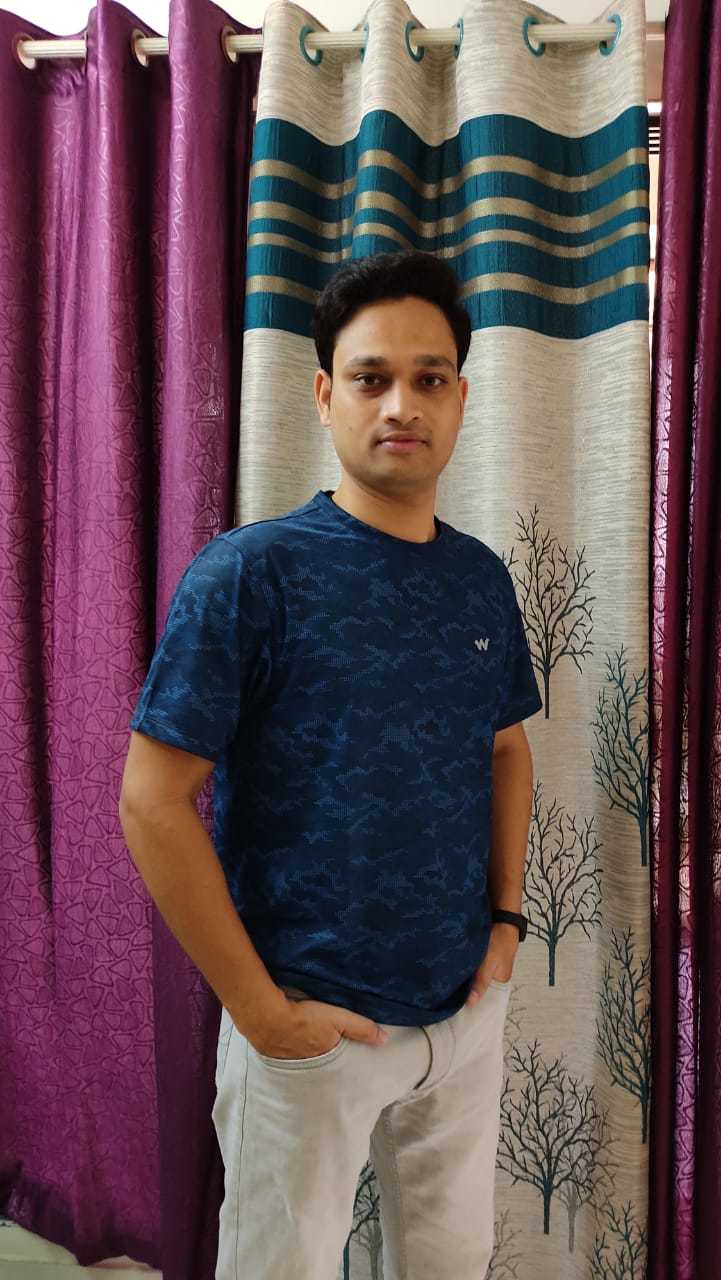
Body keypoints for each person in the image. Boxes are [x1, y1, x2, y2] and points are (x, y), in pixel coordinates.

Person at [119, 249, 543, 1280]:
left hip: (460, 1011)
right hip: (308, 1024)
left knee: (452, 1261)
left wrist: (504, 920)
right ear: (323, 393)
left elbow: (505, 747)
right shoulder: (249, 574)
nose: (401, 403)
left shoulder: (479, 579)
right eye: (370, 377)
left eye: (429, 377)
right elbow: (153, 800)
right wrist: (261, 1014)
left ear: (459, 396)